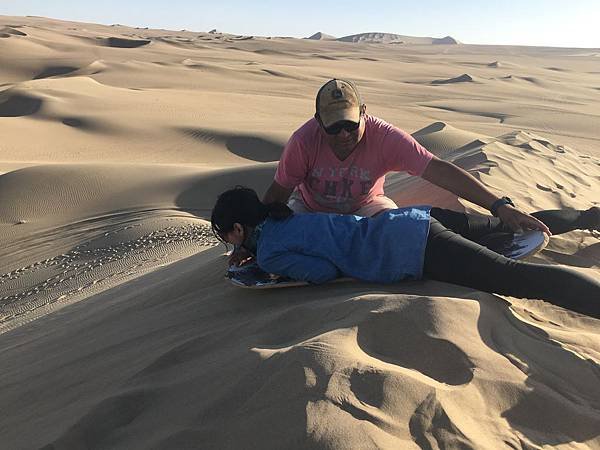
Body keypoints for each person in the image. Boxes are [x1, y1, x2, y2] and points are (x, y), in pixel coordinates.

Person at [231, 78, 551, 264]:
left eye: (350, 124)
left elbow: (437, 170)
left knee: (403, 233)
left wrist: (499, 206)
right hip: (312, 212)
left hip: (367, 208)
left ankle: (484, 246)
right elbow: (277, 195)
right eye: (334, 127)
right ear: (318, 121)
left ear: (364, 114)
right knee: (287, 239)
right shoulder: (303, 142)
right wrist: (250, 242)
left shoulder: (385, 138)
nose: (343, 134)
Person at [212, 186, 600, 319]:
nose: (229, 244)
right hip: (415, 220)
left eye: (226, 237)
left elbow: (324, 273)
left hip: (415, 250)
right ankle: (589, 216)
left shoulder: (273, 251)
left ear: (239, 229)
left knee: (513, 279)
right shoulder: (288, 217)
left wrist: (265, 262)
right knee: (514, 223)